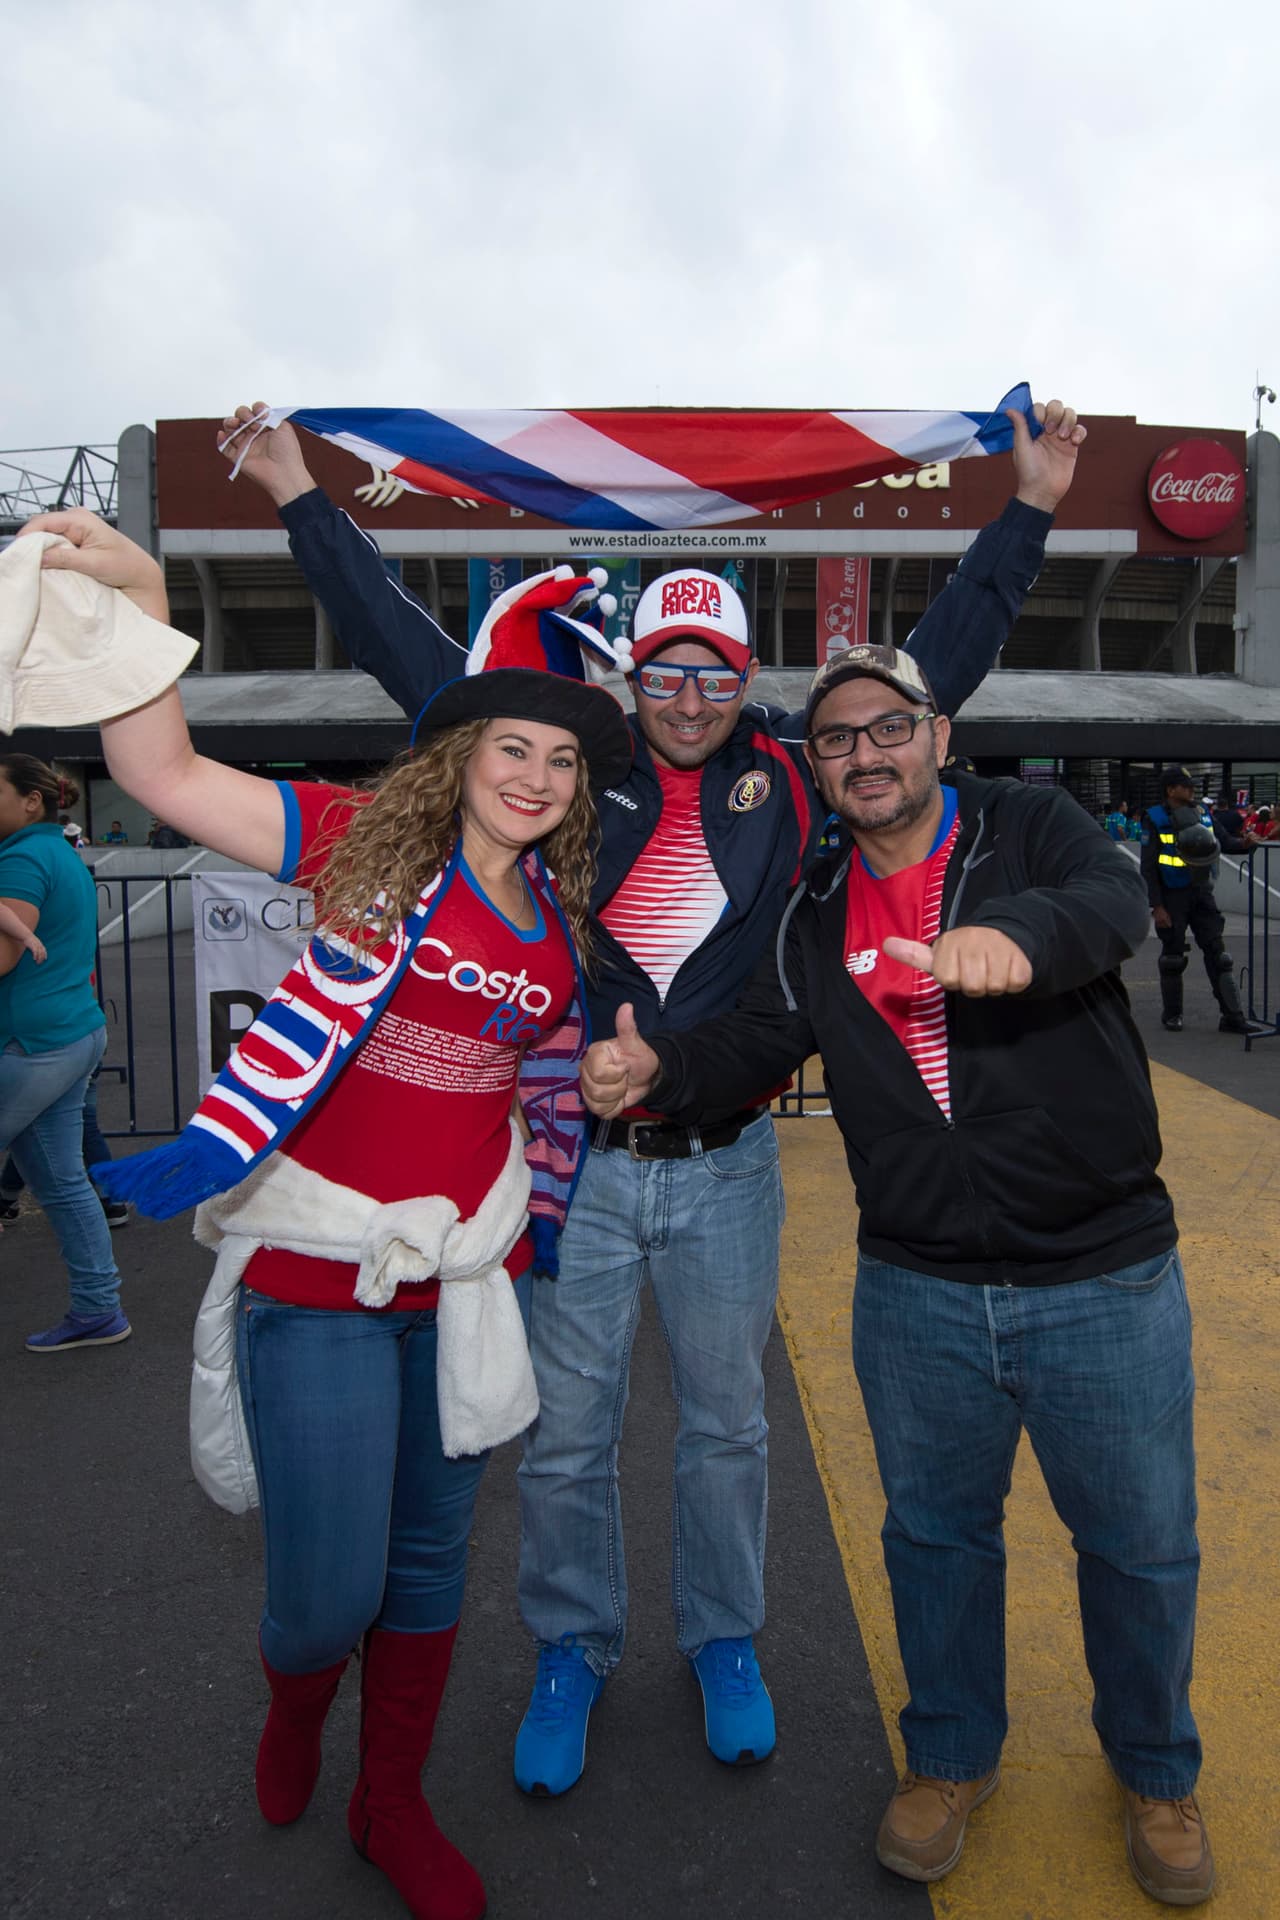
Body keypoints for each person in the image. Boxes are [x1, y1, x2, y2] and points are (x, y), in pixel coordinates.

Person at [217, 391, 1087, 1795]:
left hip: (731, 1167)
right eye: (666, 673)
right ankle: (574, 1641)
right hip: (576, 1169)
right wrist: (292, 492)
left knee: (729, 1425)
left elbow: (937, 668)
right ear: (633, 678)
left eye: (716, 674)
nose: (689, 698)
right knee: (566, 1435)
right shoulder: (570, 778)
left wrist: (1033, 507)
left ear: (750, 681)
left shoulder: (798, 786)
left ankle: (724, 1635)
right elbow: (409, 656)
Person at [19, 501, 631, 1920]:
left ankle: (387, 1800)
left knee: (426, 1577)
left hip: (465, 1277)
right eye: (510, 746)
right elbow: (157, 770)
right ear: (461, 754)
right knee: (326, 1594)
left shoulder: (563, 925)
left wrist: (606, 1070)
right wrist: (147, 598)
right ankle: (294, 1702)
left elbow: (532, 1088)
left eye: (558, 757)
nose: (535, 775)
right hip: (315, 1266)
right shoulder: (360, 842)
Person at [582, 642, 1212, 1908]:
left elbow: (1099, 903)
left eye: (887, 729)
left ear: (934, 736)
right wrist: (663, 1073)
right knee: (932, 1542)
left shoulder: (1027, 826)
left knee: (1138, 1549)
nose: (865, 754)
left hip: (1099, 1274)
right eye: (835, 741)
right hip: (915, 1285)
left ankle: (1153, 1772)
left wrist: (1012, 939)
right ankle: (946, 1759)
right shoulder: (814, 904)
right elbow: (765, 1035)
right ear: (814, 770)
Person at [0, 756, 130, 1349]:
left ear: (32, 801)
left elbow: (3, 959)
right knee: (61, 1183)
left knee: (63, 1184)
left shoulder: (22, 858)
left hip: (32, 1044)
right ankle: (99, 1309)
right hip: (68, 1035)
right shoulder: (56, 852)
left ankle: (100, 1308)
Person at [1141, 764, 1252, 1034]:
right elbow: (1148, 866)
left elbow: (1224, 842)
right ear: (1171, 790)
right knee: (1172, 958)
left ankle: (1232, 1017)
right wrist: (1157, 906)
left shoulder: (1203, 814)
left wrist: (1246, 844)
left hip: (1202, 893)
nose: (1192, 791)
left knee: (1219, 955)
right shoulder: (1154, 818)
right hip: (1171, 896)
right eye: (1186, 786)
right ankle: (1173, 1015)